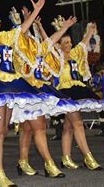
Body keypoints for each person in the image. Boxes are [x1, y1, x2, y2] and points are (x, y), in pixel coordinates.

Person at [0, 0, 59, 186]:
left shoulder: (5, 37)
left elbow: (22, 29)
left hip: (11, 85)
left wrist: (36, 11)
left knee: (2, 131)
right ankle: (0, 174)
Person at [13, 12, 80, 179]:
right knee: (39, 128)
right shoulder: (16, 46)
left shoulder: (35, 47)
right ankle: (49, 163)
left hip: (37, 91)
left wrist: (64, 28)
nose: (29, 34)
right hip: (24, 91)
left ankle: (19, 161)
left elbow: (49, 42)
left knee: (28, 129)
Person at [53, 22, 104, 170]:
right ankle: (88, 157)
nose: (69, 44)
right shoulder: (57, 55)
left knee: (69, 126)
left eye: (70, 42)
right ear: (59, 44)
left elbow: (83, 45)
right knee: (78, 124)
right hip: (66, 91)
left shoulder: (74, 54)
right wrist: (44, 29)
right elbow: (49, 42)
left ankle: (66, 158)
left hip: (77, 89)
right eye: (65, 42)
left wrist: (90, 33)